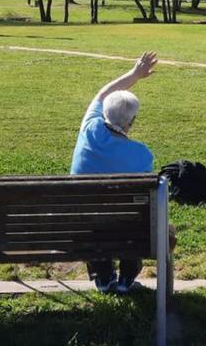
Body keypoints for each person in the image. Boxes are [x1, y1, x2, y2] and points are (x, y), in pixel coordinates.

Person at [70, 51, 157, 293]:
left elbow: (102, 94)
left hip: (84, 227)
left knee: (94, 218)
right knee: (134, 219)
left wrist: (134, 74)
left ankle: (104, 278)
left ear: (104, 114)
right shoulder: (142, 155)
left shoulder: (90, 128)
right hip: (126, 230)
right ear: (131, 122)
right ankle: (126, 279)